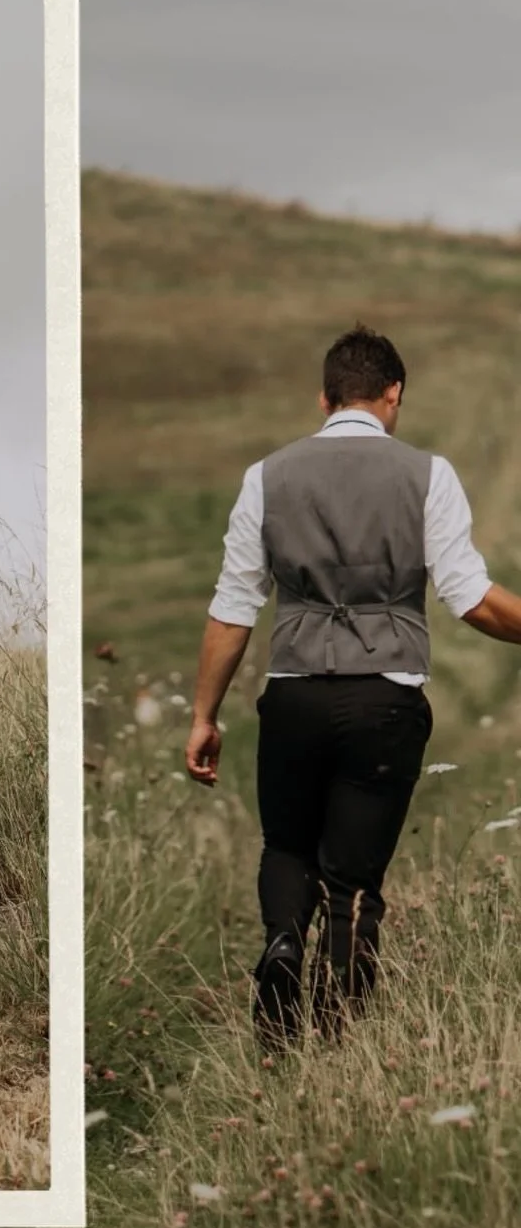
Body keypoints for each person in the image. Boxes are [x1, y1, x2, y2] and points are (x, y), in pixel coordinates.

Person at [186, 324, 521, 1048]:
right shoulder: (427, 474)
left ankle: (280, 956)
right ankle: (337, 1041)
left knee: (286, 846)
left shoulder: (266, 476)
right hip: (386, 698)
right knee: (354, 878)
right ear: (393, 394)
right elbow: (472, 599)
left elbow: (232, 607)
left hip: (295, 691)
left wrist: (203, 716)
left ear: (324, 398)